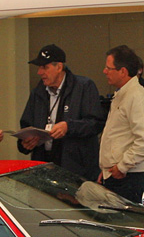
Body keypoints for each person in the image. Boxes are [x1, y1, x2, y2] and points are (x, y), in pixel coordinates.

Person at [17, 44, 106, 181]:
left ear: (59, 67)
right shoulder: (37, 92)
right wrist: (25, 143)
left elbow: (95, 123)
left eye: (44, 67)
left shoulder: (83, 87)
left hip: (76, 170)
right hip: (44, 169)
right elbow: (26, 125)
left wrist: (68, 127)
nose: (39, 72)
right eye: (39, 68)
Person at [98, 45, 144, 203]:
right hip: (116, 174)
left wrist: (122, 166)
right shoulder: (122, 94)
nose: (105, 71)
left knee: (126, 225)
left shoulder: (136, 97)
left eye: (108, 68)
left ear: (123, 71)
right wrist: (106, 170)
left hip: (128, 177)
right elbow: (118, 136)